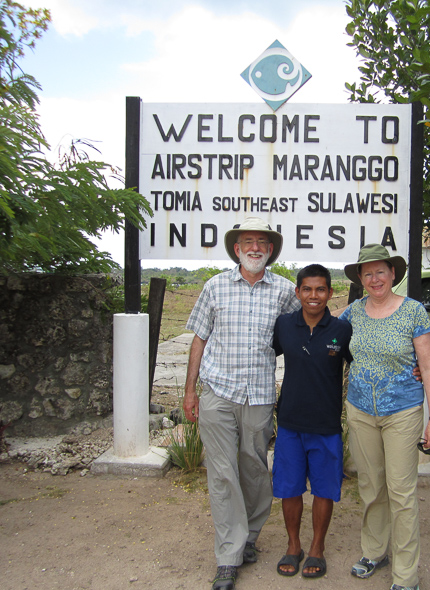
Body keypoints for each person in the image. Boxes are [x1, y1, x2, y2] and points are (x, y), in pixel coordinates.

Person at [183, 217, 301, 590]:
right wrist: (189, 391)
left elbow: (312, 324)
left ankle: (249, 535)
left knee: (253, 470)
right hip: (217, 393)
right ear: (236, 249)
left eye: (261, 243)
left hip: (260, 396)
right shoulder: (215, 287)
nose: (254, 248)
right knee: (221, 473)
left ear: (270, 251)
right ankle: (229, 556)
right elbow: (199, 339)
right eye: (247, 242)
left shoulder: (284, 291)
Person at [341, 244, 430, 590]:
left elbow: (428, 367)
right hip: (360, 410)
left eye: (380, 271)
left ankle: (406, 575)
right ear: (360, 279)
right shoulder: (352, 313)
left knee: (401, 492)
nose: (374, 278)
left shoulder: (413, 311)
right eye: (367, 273)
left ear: (393, 273)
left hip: (402, 412)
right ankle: (374, 551)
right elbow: (326, 335)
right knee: (371, 487)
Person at [271, 264, 353, 579]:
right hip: (290, 422)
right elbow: (260, 354)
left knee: (324, 490)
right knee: (289, 489)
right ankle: (294, 546)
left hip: (326, 425)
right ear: (298, 293)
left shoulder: (341, 330)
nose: (313, 296)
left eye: (320, 289)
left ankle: (317, 548)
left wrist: (413, 370)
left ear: (330, 293)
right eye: (307, 289)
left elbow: (365, 361)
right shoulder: (284, 326)